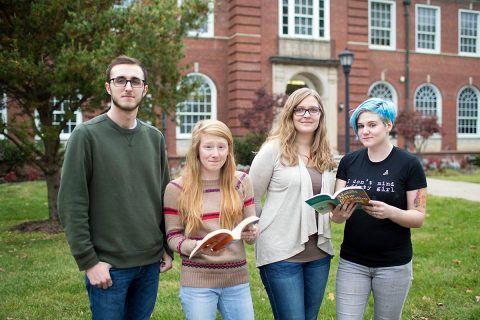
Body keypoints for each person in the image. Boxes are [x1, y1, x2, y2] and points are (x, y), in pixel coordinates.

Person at [58, 55, 173, 319]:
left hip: (149, 264)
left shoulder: (154, 138)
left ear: (145, 89)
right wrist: (89, 262)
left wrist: (167, 247)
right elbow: (71, 204)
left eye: (135, 81)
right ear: (108, 87)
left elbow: (165, 196)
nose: (128, 87)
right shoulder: (86, 136)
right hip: (109, 267)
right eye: (120, 80)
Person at [331, 97, 427, 319]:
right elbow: (336, 214)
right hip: (352, 262)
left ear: (388, 125)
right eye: (361, 126)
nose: (365, 131)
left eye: (372, 125)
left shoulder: (409, 164)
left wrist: (390, 212)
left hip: (394, 264)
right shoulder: (349, 162)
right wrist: (338, 215)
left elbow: (418, 217)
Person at [249, 88, 337, 320]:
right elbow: (251, 197)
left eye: (313, 109)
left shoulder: (326, 154)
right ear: (290, 114)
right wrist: (259, 230)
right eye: (300, 109)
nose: (306, 114)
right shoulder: (273, 150)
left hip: (318, 254)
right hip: (280, 255)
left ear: (320, 115)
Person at [163, 119, 257, 320]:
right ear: (196, 150)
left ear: (229, 150)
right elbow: (172, 236)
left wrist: (251, 234)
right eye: (208, 147)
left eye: (221, 147)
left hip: (236, 278)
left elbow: (251, 233)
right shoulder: (177, 189)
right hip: (198, 279)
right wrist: (195, 246)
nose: (215, 154)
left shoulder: (242, 181)